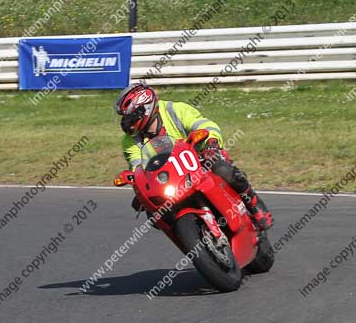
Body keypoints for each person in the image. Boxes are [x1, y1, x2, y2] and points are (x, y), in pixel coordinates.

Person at [114, 83, 273, 230]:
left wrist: (211, 143)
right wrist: (141, 191)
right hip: (170, 179)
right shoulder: (129, 141)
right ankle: (191, 236)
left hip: (202, 158)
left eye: (130, 117)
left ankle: (254, 204)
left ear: (145, 110)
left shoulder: (175, 110)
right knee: (155, 214)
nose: (126, 122)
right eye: (125, 118)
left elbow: (205, 125)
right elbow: (137, 168)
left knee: (223, 171)